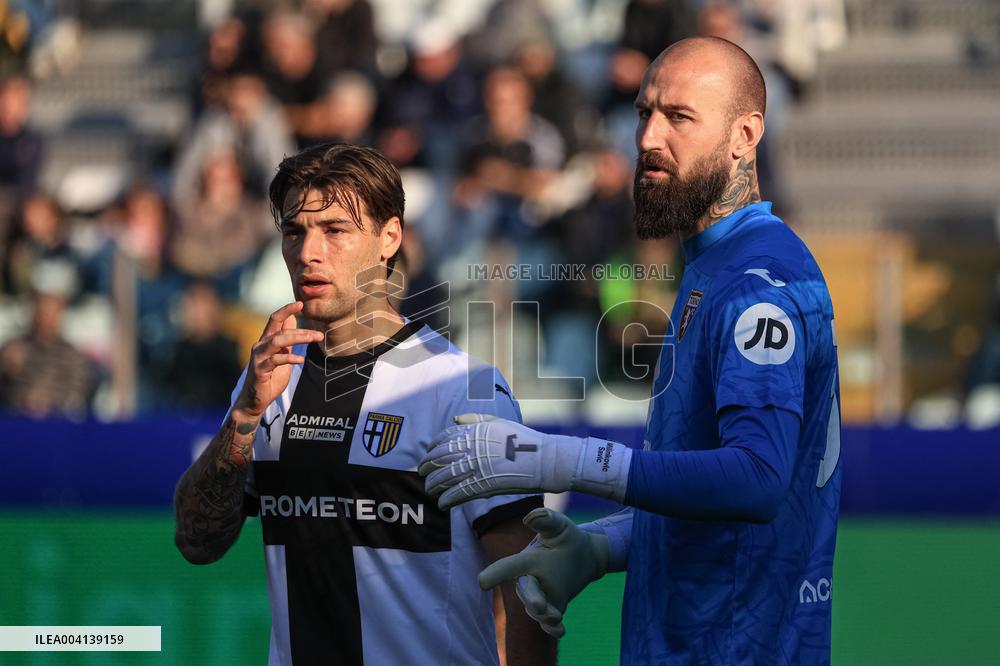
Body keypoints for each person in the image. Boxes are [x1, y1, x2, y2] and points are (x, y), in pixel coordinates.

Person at [420, 37, 841, 665]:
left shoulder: (758, 286)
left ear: (744, 134)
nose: (647, 137)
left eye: (679, 117)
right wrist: (602, 549)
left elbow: (757, 481)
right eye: (645, 112)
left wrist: (566, 459)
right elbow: (713, 504)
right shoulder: (712, 264)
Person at [173, 143, 554, 666]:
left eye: (334, 230)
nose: (308, 252)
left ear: (388, 238)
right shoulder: (269, 379)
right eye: (294, 232)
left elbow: (528, 587)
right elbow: (197, 541)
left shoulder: (462, 387)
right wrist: (242, 415)